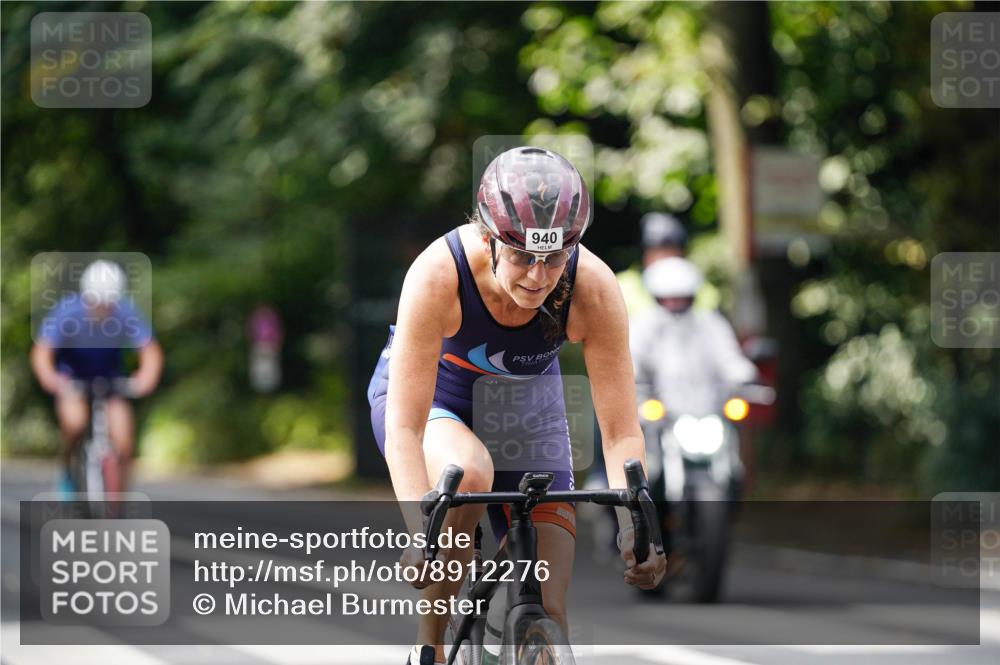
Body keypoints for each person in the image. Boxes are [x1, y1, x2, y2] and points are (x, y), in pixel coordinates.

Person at [367, 147, 666, 665]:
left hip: (528, 411)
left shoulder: (591, 287)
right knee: (470, 472)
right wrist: (423, 538)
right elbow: (406, 430)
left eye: (553, 258)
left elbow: (620, 435)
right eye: (523, 256)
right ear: (489, 238)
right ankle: (431, 645)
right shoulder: (439, 274)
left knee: (550, 605)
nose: (538, 275)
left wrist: (633, 528)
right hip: (433, 403)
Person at [30, 260, 163, 497]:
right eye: (97, 302)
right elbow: (43, 351)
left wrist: (146, 378)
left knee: (123, 440)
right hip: (73, 378)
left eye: (108, 302)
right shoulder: (67, 311)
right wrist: (49, 377)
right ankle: (68, 470)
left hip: (110, 379)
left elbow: (149, 350)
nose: (103, 307)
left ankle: (116, 502)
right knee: (75, 424)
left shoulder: (125, 312)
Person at [631, 257, 757, 417]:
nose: (675, 304)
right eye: (669, 299)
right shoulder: (643, 325)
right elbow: (631, 360)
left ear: (692, 296)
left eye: (681, 298)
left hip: (709, 413)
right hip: (661, 416)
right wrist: (633, 382)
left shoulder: (710, 323)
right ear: (657, 297)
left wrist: (744, 376)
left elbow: (729, 357)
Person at [615, 212, 689, 317]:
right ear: (644, 254)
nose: (663, 260)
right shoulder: (620, 287)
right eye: (657, 253)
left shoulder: (697, 287)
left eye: (670, 252)